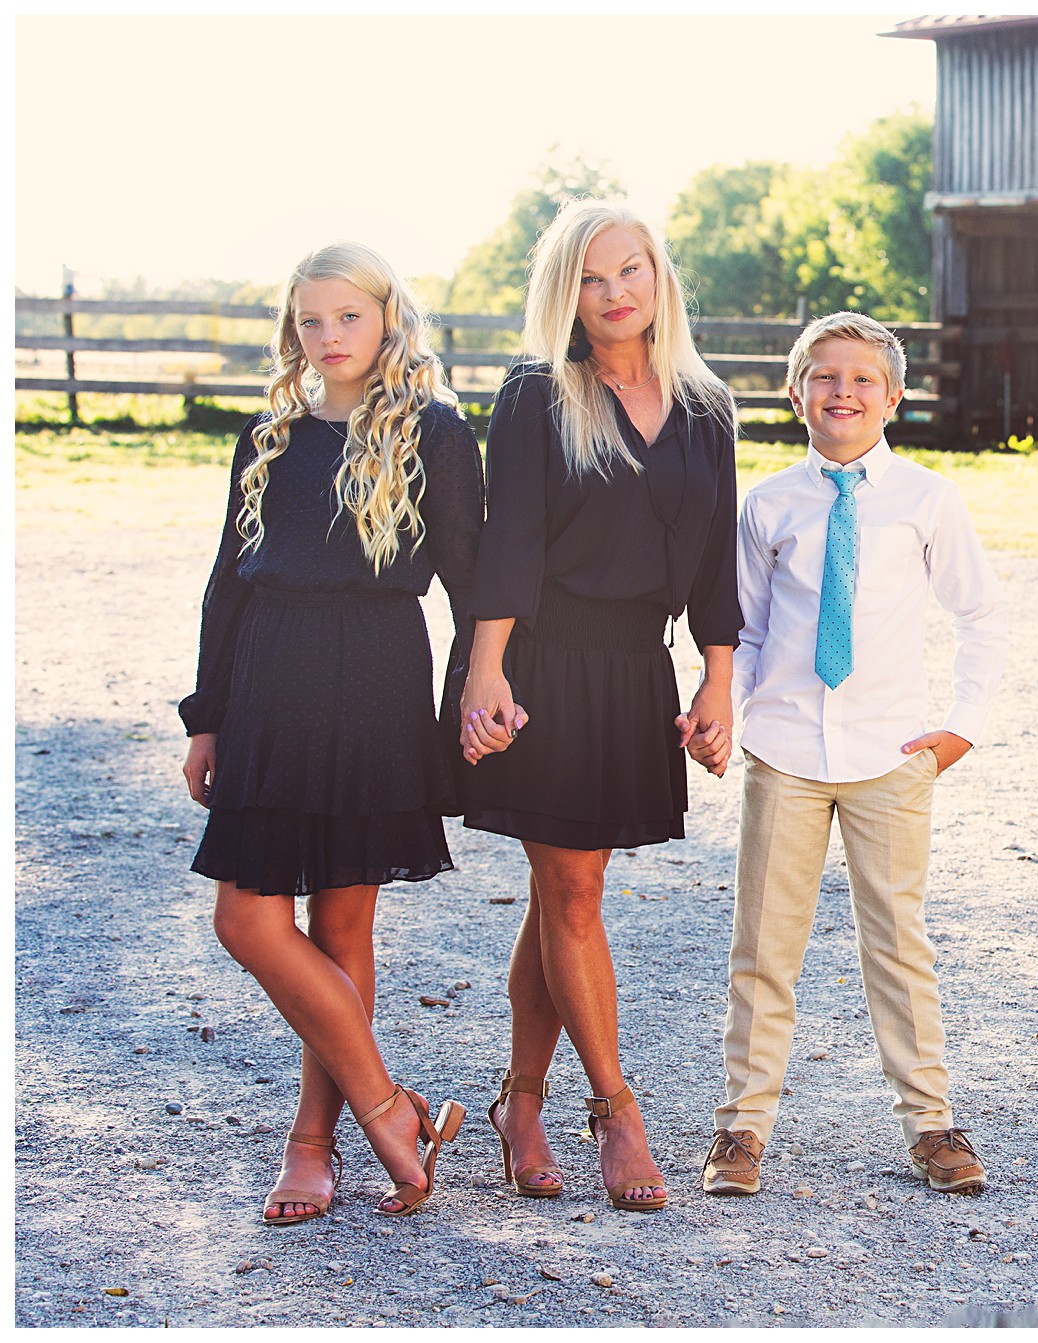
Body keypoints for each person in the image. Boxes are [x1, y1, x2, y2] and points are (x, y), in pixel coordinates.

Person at [180, 242, 478, 1222]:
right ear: (292, 330)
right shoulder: (269, 434)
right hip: (269, 681)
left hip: (374, 682)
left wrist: (487, 687)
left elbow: (473, 581)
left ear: (387, 318)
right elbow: (231, 578)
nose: (327, 336)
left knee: (342, 925)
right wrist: (207, 715)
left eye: (346, 316)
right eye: (310, 320)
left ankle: (313, 1142)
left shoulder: (433, 431)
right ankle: (388, 1105)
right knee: (249, 918)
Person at [456, 200, 739, 1212]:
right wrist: (484, 672)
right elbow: (512, 541)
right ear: (562, 293)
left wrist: (717, 676)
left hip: (634, 668)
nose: (614, 292)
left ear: (659, 275)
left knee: (562, 893)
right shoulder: (538, 393)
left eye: (630, 269)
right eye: (589, 277)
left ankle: (518, 1102)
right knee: (573, 892)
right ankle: (616, 1110)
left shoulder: (708, 406)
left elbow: (715, 557)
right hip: (540, 663)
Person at [703, 312, 1007, 1198]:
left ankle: (931, 1121)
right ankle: (741, 1129)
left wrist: (962, 724)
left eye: (863, 380)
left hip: (890, 753)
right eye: (825, 377)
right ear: (796, 394)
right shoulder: (768, 505)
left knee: (898, 940)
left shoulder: (925, 499)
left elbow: (980, 613)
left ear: (894, 398)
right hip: (788, 751)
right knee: (763, 943)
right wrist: (735, 710)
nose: (844, 392)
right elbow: (747, 628)